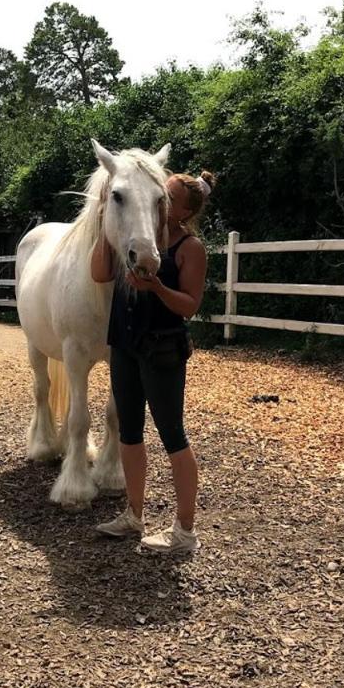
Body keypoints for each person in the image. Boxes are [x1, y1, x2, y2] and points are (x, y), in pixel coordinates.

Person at [90, 170, 216, 554]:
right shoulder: (136, 236)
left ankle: (185, 532)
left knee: (173, 436)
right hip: (125, 343)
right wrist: (102, 222)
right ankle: (133, 514)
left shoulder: (189, 248)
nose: (159, 201)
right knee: (129, 432)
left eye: (168, 197)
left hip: (162, 348)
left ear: (183, 210)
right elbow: (99, 273)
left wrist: (158, 287)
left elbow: (190, 306)